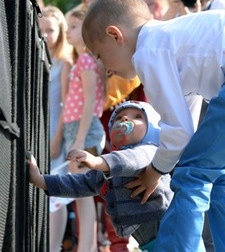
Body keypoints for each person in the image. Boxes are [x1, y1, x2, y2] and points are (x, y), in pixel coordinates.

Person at [81, 0, 225, 251]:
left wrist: (153, 172)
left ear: (114, 35)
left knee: (191, 176)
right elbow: (185, 129)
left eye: (99, 56)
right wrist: (164, 162)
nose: (106, 69)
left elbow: (176, 131)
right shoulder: (175, 39)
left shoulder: (148, 49)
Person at [75, 0, 145, 251]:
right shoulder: (73, 21)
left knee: (123, 180)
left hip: (123, 107)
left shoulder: (122, 11)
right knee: (92, 185)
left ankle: (123, 244)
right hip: (85, 116)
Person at [28, 100, 172, 251]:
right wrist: (41, 180)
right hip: (151, 242)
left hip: (169, 228)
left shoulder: (150, 151)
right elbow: (81, 183)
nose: (125, 119)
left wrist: (97, 161)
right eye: (118, 117)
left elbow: (132, 160)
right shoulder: (111, 165)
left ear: (153, 130)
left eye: (137, 116)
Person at [57, 8, 106, 252]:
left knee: (84, 198)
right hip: (77, 130)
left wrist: (78, 139)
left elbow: (89, 103)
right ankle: (87, 246)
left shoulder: (86, 61)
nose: (68, 31)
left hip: (83, 131)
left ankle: (87, 247)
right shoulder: (81, 61)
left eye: (73, 26)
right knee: (82, 198)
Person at [39, 6, 73, 252]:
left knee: (57, 197)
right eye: (42, 31)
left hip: (54, 132)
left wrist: (58, 136)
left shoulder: (64, 62)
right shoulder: (39, 59)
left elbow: (65, 103)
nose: (46, 35)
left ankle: (55, 246)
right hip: (39, 131)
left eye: (51, 30)